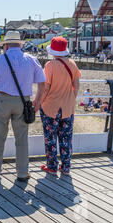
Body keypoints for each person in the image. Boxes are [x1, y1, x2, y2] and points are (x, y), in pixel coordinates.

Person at [0, 31, 46, 182]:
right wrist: (37, 101)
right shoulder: (31, 59)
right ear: (20, 44)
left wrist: (3, 89)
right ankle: (22, 172)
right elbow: (42, 81)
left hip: (2, 100)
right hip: (23, 101)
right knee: (21, 138)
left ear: (6, 45)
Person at [34, 37, 81, 176]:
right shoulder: (72, 64)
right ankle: (66, 167)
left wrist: (40, 102)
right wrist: (71, 99)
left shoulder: (49, 65)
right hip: (68, 107)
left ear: (53, 51)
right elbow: (77, 86)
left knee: (51, 137)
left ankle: (52, 166)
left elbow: (46, 87)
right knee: (66, 137)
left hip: (51, 107)